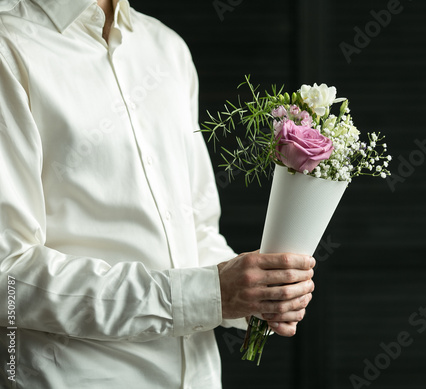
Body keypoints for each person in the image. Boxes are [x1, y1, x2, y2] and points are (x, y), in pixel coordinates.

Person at [0, 0, 315, 388]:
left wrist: (257, 296)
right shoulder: (8, 47)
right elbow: (8, 275)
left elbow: (196, 233)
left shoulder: (167, 49)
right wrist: (208, 293)